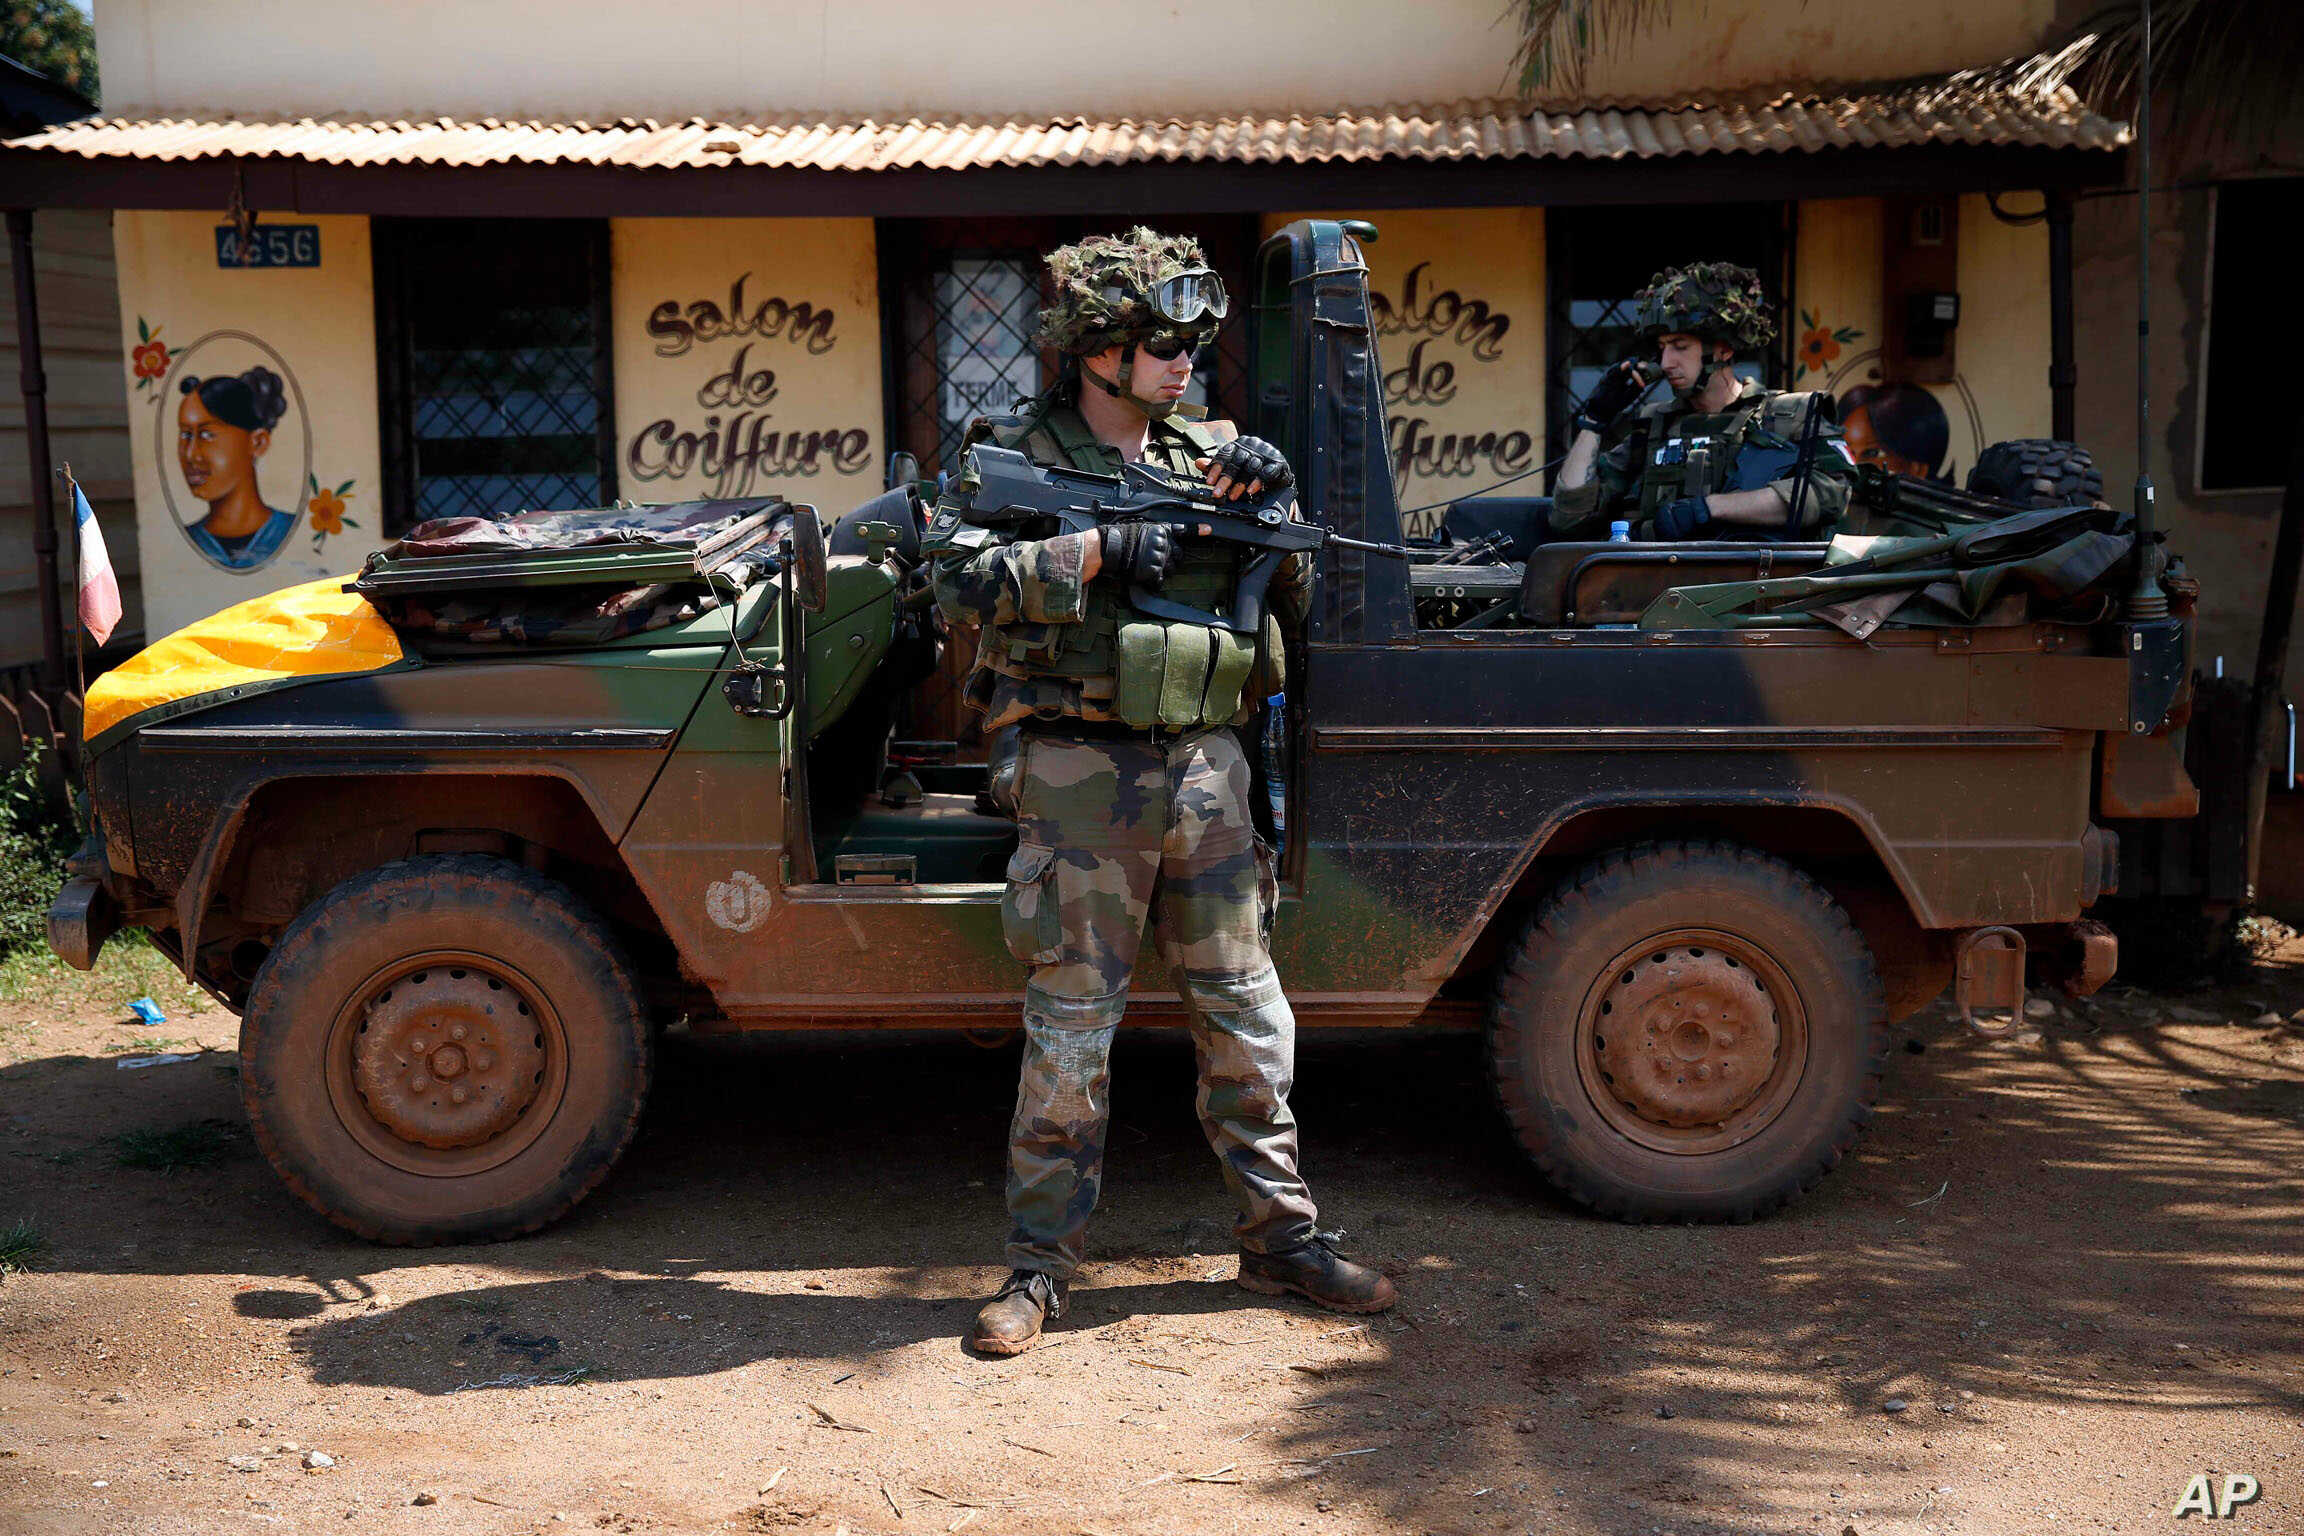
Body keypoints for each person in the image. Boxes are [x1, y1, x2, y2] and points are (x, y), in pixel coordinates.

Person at [924, 228, 1398, 1357]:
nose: (1186, 362)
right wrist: (1095, 552)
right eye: (1162, 343)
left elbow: (1295, 588)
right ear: (1097, 350)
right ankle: (1039, 1269)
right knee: (1073, 1030)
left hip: (1209, 770)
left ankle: (1281, 1240)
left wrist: (1273, 516)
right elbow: (952, 574)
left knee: (1246, 1014)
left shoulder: (1215, 454)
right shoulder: (1009, 453)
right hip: (1081, 773)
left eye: (1194, 344)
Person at [1555, 263, 1851, 541]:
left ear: (1722, 350)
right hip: (1654, 585)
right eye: (1662, 348)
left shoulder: (1790, 415)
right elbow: (1567, 517)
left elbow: (1830, 494)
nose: (1667, 362)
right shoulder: (1653, 428)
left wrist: (1710, 508)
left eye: (1680, 347)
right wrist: (1593, 423)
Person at [176, 367, 297, 569]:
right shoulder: (189, 538)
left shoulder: (288, 529)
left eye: (207, 435)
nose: (190, 455)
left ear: (257, 442)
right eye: (186, 435)